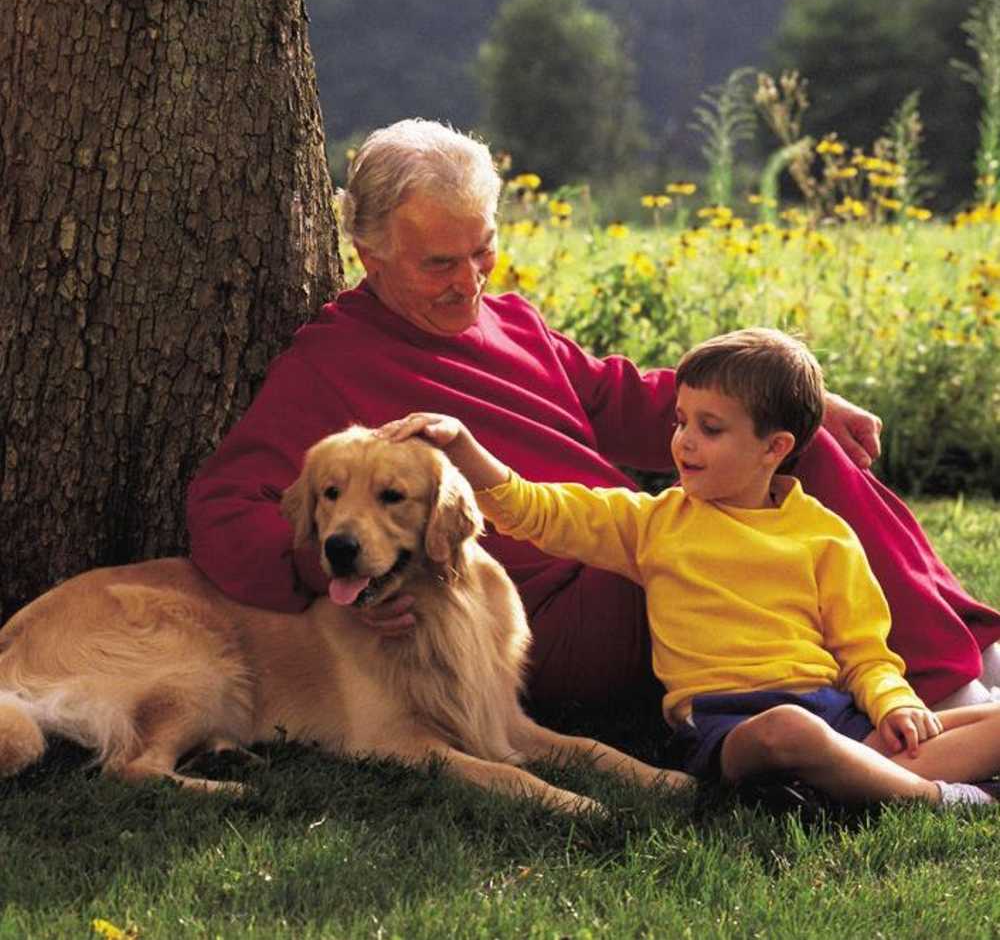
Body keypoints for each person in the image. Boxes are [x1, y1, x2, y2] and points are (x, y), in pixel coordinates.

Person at [186, 117, 1000, 709]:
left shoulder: (511, 319)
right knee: (705, 545)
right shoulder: (329, 362)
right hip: (549, 616)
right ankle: (944, 696)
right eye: (440, 263)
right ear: (369, 254)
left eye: (483, 250)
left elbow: (623, 398)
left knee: (787, 448)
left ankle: (965, 659)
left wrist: (796, 404)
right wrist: (335, 574)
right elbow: (224, 506)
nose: (468, 282)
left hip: (627, 543)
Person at [376, 329, 1000, 806]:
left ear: (775, 448)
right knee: (790, 731)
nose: (683, 442)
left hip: (832, 709)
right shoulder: (653, 523)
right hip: (729, 726)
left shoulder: (825, 535)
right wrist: (463, 447)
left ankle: (864, 773)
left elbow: (864, 649)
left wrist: (893, 705)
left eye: (709, 428)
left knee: (964, 723)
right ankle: (943, 796)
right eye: (680, 422)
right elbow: (532, 508)